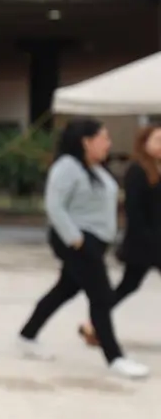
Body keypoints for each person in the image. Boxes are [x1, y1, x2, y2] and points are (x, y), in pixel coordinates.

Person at [17, 119, 149, 379]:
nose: (108, 143)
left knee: (64, 290)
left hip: (95, 241)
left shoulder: (96, 168)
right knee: (100, 296)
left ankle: (27, 335)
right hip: (77, 240)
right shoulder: (67, 167)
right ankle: (115, 357)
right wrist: (75, 239)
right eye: (104, 138)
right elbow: (55, 206)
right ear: (86, 141)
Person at [78, 124, 161, 348]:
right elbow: (134, 210)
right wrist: (149, 239)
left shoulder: (157, 168)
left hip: (155, 242)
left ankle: (93, 323)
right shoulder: (137, 170)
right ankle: (94, 323)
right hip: (143, 244)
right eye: (157, 140)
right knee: (128, 286)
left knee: (128, 286)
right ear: (144, 143)